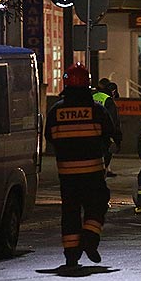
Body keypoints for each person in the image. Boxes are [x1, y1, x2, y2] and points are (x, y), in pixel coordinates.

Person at [45, 63, 116, 269]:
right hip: (93, 172)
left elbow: (50, 137)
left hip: (66, 174)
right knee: (98, 204)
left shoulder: (55, 110)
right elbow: (108, 134)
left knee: (70, 212)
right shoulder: (97, 110)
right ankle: (90, 238)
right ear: (88, 84)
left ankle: (71, 255)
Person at [92, 79, 122, 177]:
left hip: (88, 131)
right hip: (102, 132)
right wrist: (117, 137)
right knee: (106, 152)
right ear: (113, 92)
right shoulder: (108, 100)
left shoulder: (92, 96)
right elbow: (113, 120)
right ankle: (103, 172)